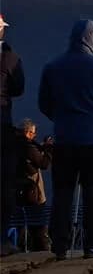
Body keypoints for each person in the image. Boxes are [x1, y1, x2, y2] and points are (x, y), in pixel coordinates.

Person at [38, 19, 93, 259]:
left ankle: (60, 244)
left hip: (64, 138)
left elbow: (44, 103)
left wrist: (61, 119)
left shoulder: (52, 67)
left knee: (62, 191)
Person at [0, 14, 26, 257]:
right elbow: (19, 87)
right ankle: (2, 239)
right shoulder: (9, 57)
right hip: (2, 121)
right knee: (5, 181)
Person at [15, 119, 52, 251]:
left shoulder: (14, 144)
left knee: (20, 223)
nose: (34, 136)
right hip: (32, 191)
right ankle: (41, 249)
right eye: (33, 133)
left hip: (18, 191)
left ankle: (20, 247)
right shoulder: (28, 147)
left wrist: (40, 147)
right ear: (28, 133)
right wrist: (48, 150)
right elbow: (43, 164)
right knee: (38, 223)